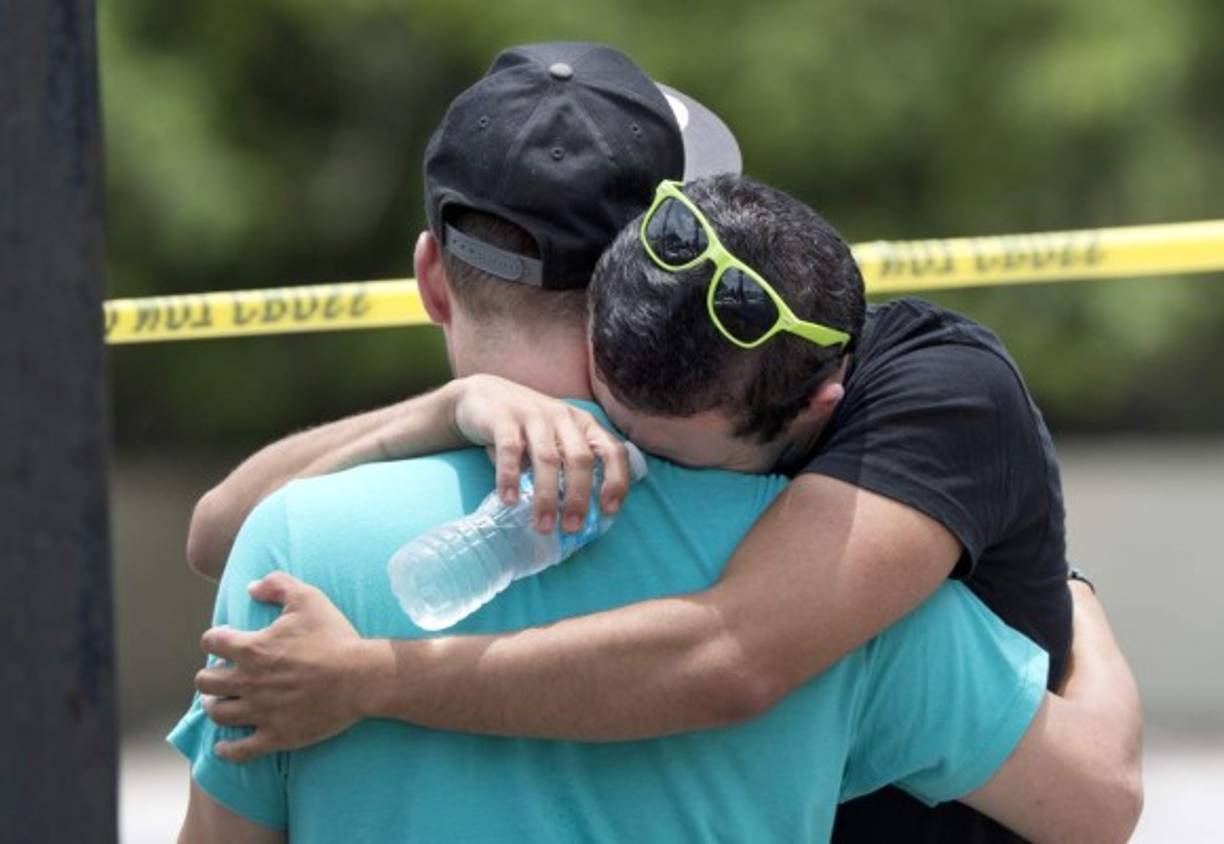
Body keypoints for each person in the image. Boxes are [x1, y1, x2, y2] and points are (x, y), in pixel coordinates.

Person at [187, 43, 1142, 842]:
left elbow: (222, 534)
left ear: (432, 277)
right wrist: (1077, 600)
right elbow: (1099, 800)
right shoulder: (856, 587)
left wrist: (368, 668)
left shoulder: (297, 554)